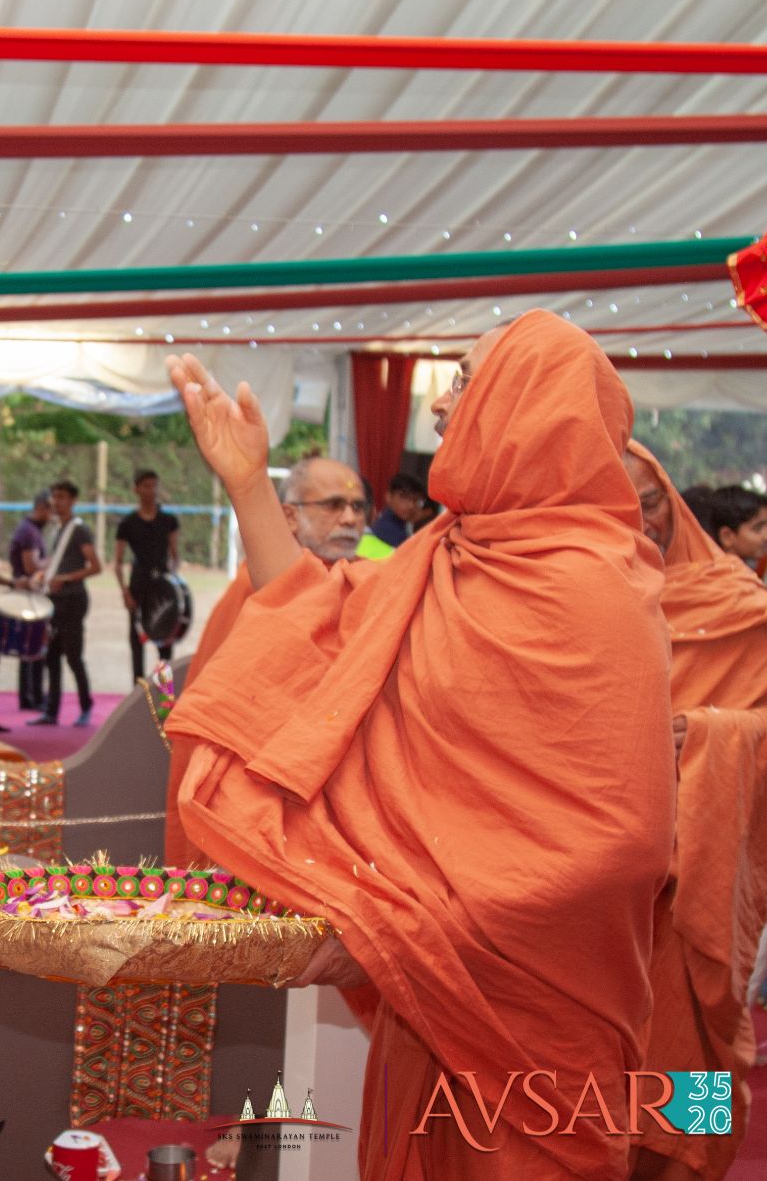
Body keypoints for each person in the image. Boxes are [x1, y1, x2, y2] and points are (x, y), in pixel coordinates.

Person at [165, 311, 674, 1178]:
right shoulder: (448, 553)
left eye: (468, 380)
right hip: (435, 999)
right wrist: (250, 483)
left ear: (529, 408)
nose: (441, 406)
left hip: (537, 1006)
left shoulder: (593, 587)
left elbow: (617, 844)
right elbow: (312, 619)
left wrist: (399, 928)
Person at [622, 444, 767, 1181]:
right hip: (587, 902)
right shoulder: (558, 596)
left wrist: (714, 733)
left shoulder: (740, 606)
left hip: (692, 908)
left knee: (693, 1062)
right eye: (617, 500)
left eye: (651, 498)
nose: (641, 518)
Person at [169, 457, 368, 865]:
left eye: (359, 507)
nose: (350, 518)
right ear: (289, 517)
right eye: (333, 505)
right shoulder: (260, 588)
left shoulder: (367, 580)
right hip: (264, 796)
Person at [31, 479, 100, 726]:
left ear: (72, 501)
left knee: (73, 657)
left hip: (72, 600)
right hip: (56, 600)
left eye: (62, 497)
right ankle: (52, 711)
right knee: (52, 656)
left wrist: (66, 578)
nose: (57, 502)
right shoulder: (58, 530)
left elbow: (95, 566)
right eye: (55, 497)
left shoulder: (78, 530)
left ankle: (86, 706)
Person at [114, 469, 180, 682]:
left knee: (165, 642)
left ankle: (165, 697)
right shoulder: (128, 523)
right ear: (136, 489)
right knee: (137, 640)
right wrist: (125, 592)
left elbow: (175, 555)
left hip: (162, 585)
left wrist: (172, 580)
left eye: (154, 485)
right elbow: (117, 562)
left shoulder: (168, 520)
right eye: (146, 486)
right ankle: (139, 693)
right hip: (138, 584)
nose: (151, 491)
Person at [8, 490, 52, 711]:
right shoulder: (30, 532)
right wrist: (52, 562)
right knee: (32, 647)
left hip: (28, 594)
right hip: (27, 596)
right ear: (42, 508)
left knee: (32, 647)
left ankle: (31, 695)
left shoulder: (30, 530)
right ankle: (31, 696)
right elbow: (30, 566)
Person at [707, 484, 767, 576]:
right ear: (727, 536)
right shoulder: (718, 579)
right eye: (757, 529)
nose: (765, 536)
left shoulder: (754, 565)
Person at [365, 471, 428, 550]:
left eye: (416, 500)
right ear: (389, 496)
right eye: (404, 497)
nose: (411, 505)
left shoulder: (406, 526)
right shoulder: (388, 530)